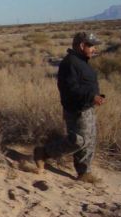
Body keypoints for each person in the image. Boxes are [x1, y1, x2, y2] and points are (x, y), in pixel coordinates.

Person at [34, 32, 105, 183]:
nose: (94, 49)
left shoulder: (82, 61)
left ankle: (84, 172)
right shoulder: (70, 63)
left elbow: (84, 84)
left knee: (89, 140)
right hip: (76, 110)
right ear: (81, 46)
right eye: (91, 46)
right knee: (78, 141)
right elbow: (70, 88)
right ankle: (44, 152)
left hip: (87, 107)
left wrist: (95, 97)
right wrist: (91, 96)